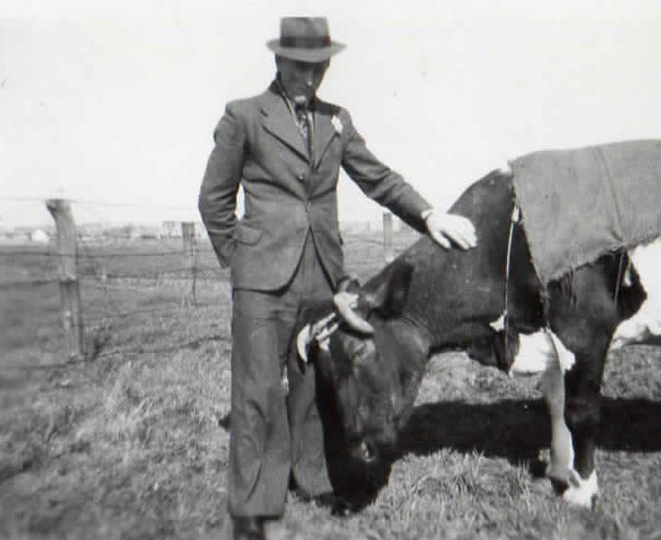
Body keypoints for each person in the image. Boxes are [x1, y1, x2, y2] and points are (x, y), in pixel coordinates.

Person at [198, 17, 476, 540]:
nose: (310, 77)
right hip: (262, 282)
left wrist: (430, 215)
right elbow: (213, 200)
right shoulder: (244, 117)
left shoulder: (337, 122)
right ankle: (254, 509)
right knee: (258, 392)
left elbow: (378, 178)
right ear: (278, 61)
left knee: (312, 388)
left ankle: (315, 481)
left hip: (322, 277)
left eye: (319, 67)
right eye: (300, 67)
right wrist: (242, 262)